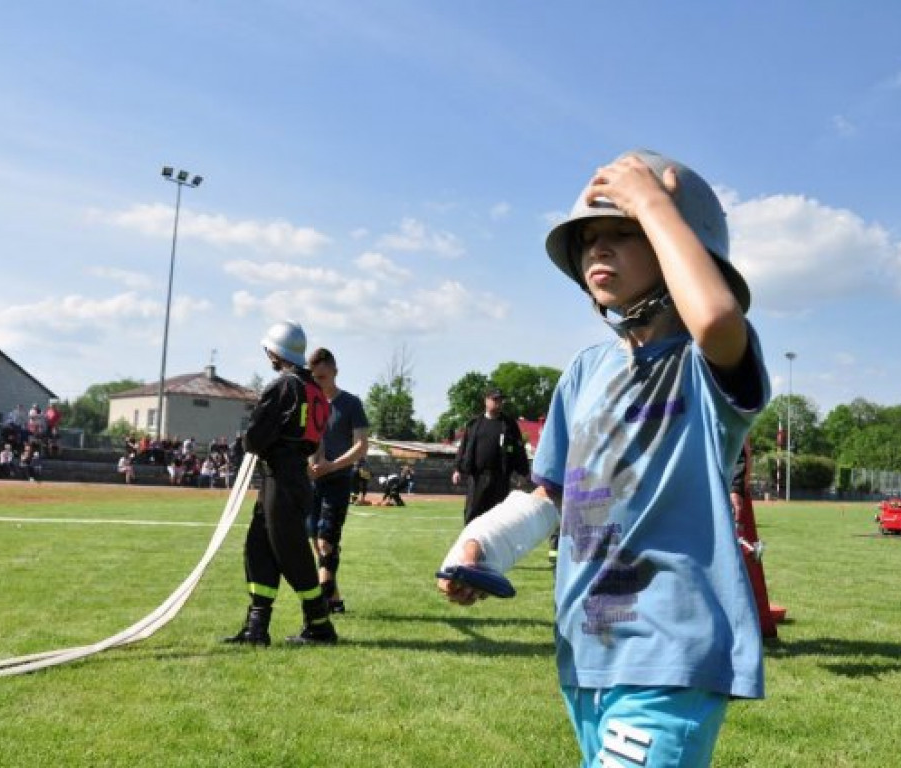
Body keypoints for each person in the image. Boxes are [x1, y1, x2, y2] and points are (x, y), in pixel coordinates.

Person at [438, 150, 769, 767]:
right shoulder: (584, 373)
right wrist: (483, 544)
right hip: (587, 649)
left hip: (670, 648)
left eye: (623, 234)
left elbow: (718, 317)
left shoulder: (703, 367)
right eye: (589, 238)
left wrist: (654, 204)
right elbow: (552, 498)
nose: (598, 249)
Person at [223, 320, 336, 647]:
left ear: (276, 351)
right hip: (289, 476)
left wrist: (246, 442)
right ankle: (256, 626)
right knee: (259, 548)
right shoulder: (314, 389)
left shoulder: (283, 386)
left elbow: (256, 437)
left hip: (281, 478)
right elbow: (311, 440)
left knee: (291, 554)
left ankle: (319, 625)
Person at [305, 347, 370, 615]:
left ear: (334, 372)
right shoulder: (309, 404)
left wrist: (331, 465)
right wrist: (311, 462)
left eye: (323, 376)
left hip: (338, 480)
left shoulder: (351, 404)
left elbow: (362, 446)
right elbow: (310, 440)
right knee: (315, 539)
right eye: (315, 377)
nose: (319, 382)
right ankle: (334, 600)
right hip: (311, 482)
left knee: (325, 541)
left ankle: (322, 602)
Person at [451, 387, 530, 524]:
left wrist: (523, 473)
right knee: (472, 514)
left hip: (500, 478)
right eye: (495, 399)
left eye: (500, 400)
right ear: (486, 401)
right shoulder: (474, 424)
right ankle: (471, 543)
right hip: (477, 477)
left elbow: (519, 449)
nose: (498, 403)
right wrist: (457, 469)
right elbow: (463, 448)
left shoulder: (509, 424)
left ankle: (494, 545)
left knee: (498, 517)